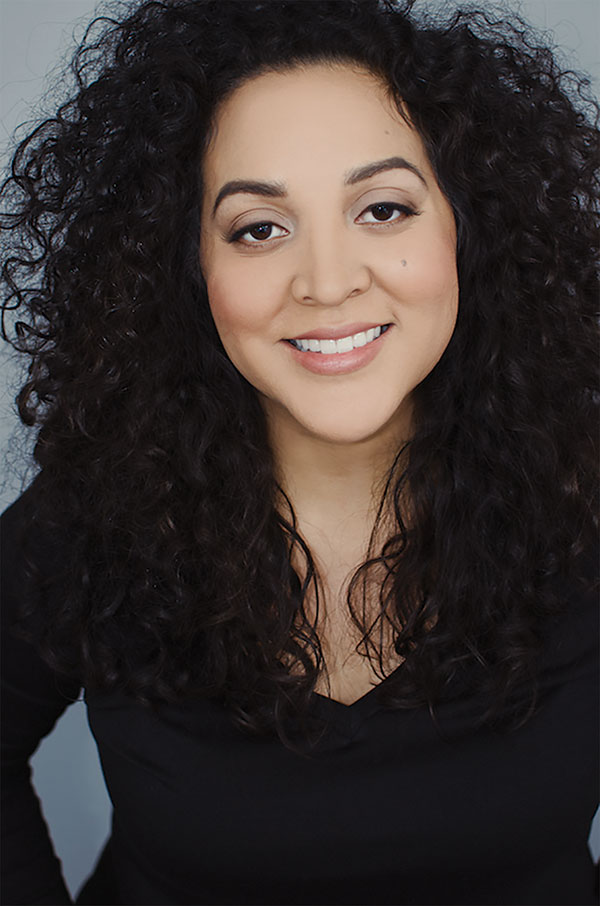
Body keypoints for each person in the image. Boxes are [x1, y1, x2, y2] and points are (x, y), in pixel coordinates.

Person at [1, 0, 598, 903]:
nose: (326, 282)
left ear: (470, 226)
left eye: (383, 209)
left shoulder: (586, 501)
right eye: (259, 228)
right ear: (188, 264)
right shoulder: (94, 514)